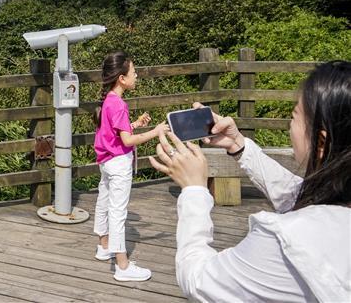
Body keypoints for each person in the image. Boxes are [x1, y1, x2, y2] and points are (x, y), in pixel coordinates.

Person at [149, 60, 351, 303]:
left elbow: (198, 280)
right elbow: (302, 197)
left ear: (320, 142)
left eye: (294, 116)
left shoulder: (285, 243)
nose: (290, 124)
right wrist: (239, 147)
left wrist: (194, 190)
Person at [92, 51, 169, 282]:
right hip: (118, 164)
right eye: (134, 72)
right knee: (118, 212)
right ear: (122, 78)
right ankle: (123, 266)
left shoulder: (109, 101)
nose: (137, 76)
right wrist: (154, 132)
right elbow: (126, 141)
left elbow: (114, 133)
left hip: (106, 162)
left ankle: (104, 246)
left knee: (103, 202)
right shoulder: (119, 104)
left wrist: (135, 124)